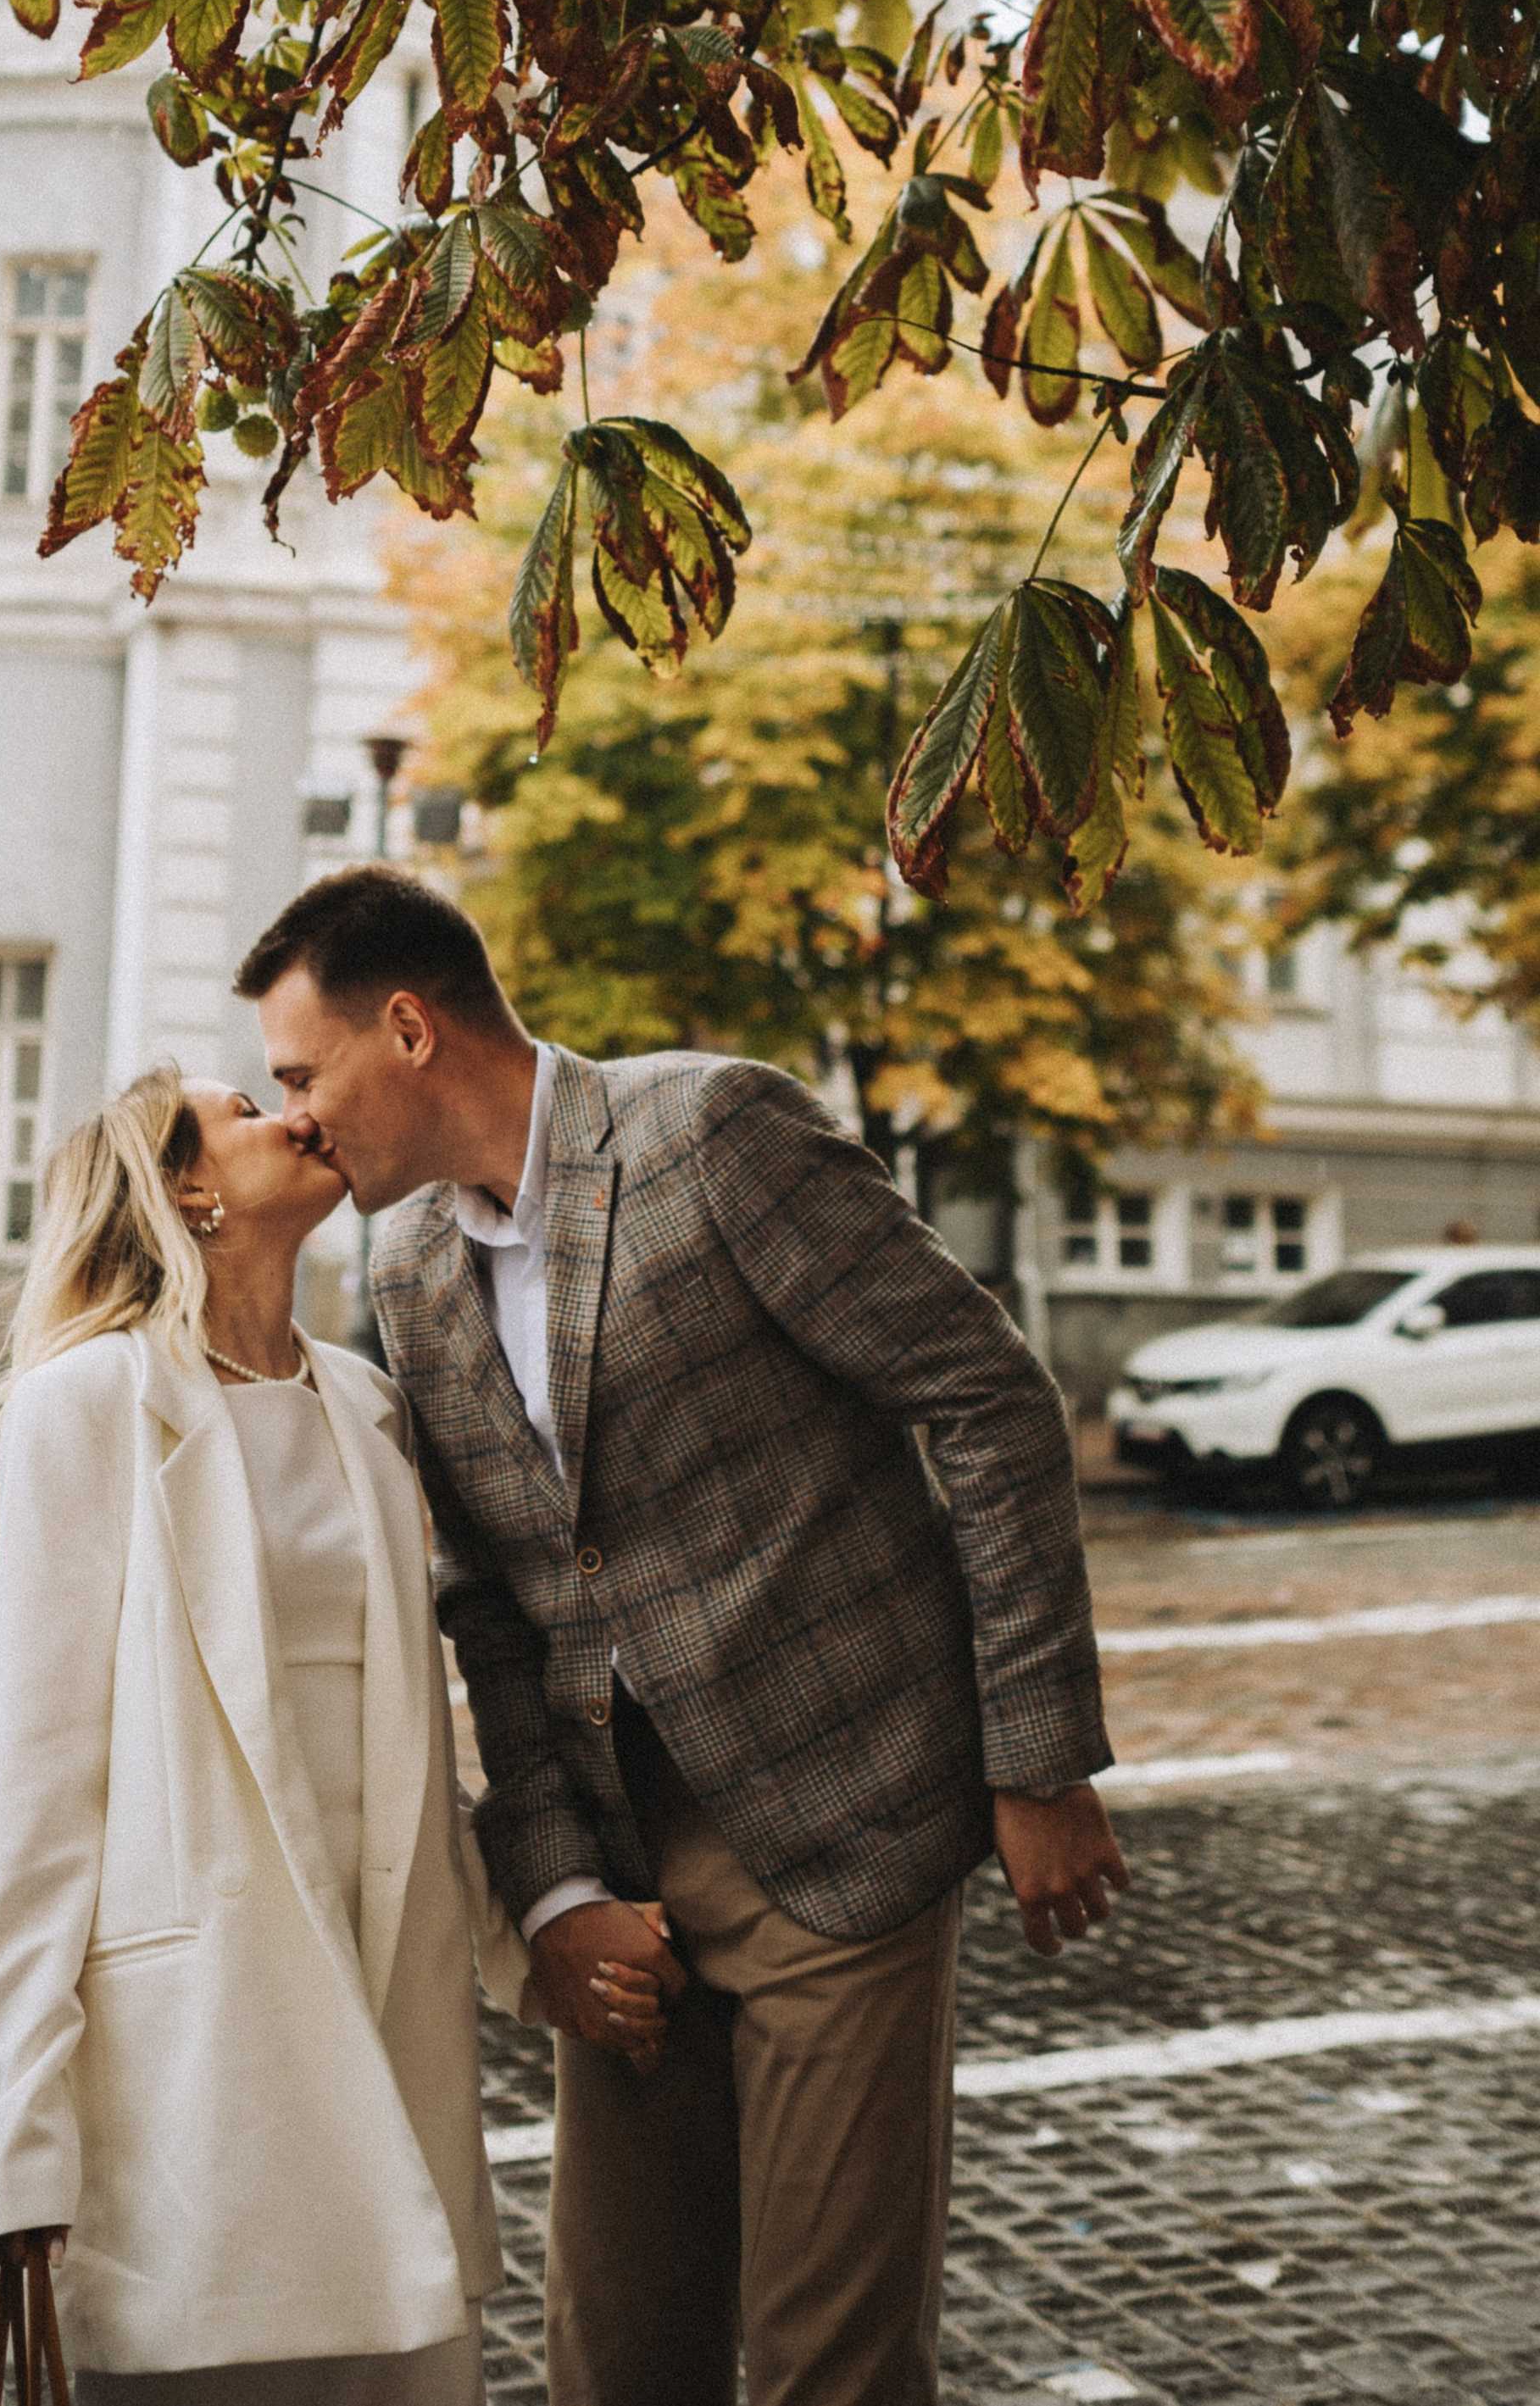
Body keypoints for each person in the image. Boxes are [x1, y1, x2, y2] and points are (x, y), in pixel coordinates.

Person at [238, 868, 1130, 2406]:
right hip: (623, 1883)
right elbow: (493, 1607)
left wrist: (1037, 1759)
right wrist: (560, 1887)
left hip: (850, 1827)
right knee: (618, 2356)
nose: (299, 1117)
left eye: (303, 1075)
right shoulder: (402, 1269)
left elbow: (988, 1400)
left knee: (826, 2369)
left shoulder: (710, 1132)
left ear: (407, 1026)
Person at [0, 1061, 667, 2405]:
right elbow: (40, 1801)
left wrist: (535, 1941)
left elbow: (410, 1751)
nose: (295, 1115)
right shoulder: (91, 1403)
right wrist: (22, 2147)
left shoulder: (367, 1404)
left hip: (383, 2003)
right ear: (186, 1186)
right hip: (199, 2060)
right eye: (246, 1110)